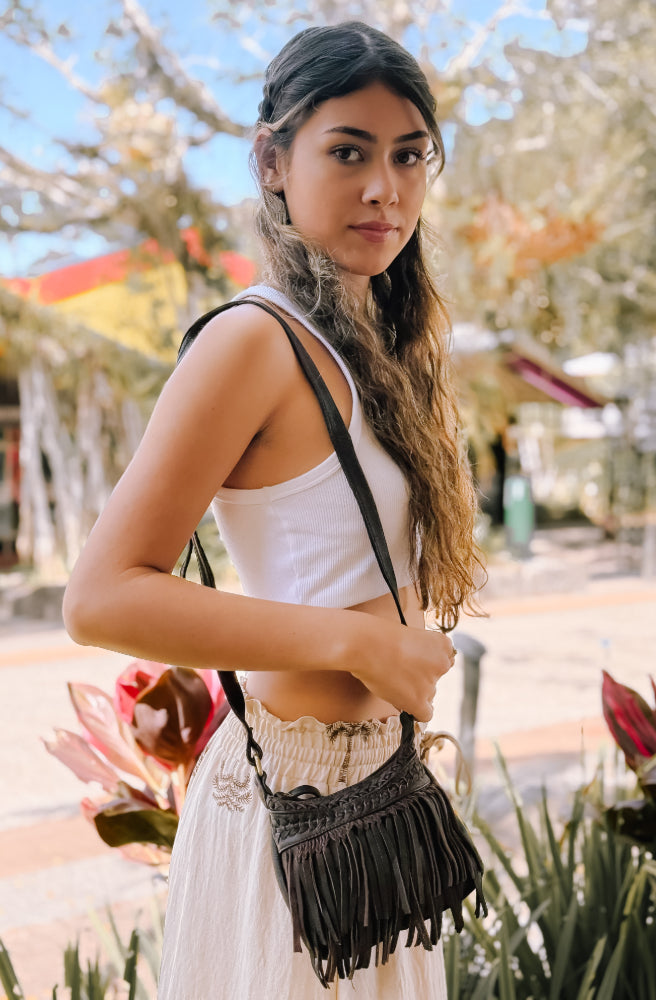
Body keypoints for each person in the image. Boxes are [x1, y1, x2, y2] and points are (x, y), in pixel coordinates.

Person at [63, 21, 483, 999]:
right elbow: (99, 596)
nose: (385, 187)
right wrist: (357, 644)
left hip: (378, 802)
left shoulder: (382, 347)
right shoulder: (252, 342)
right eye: (348, 151)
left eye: (408, 155)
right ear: (271, 159)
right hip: (287, 816)